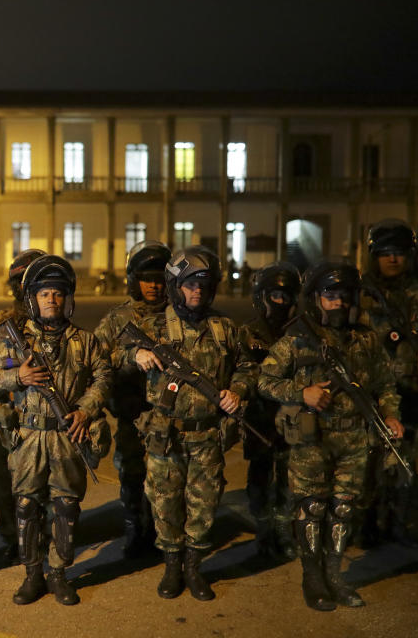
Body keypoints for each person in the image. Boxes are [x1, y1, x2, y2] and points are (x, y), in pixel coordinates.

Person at [258, 258, 404, 611]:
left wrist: (391, 415)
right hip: (311, 439)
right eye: (330, 295)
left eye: (344, 296)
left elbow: (385, 384)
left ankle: (335, 576)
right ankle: (313, 578)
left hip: (354, 439)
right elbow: (264, 381)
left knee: (344, 508)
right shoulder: (297, 337)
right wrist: (302, 392)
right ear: (316, 297)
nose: (338, 302)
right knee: (311, 508)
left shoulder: (365, 339)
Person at [123, 246, 254, 602]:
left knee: (204, 504)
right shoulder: (155, 326)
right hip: (165, 434)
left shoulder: (224, 328)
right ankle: (171, 567)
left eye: (203, 285)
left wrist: (237, 391)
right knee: (164, 504)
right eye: (189, 284)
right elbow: (113, 351)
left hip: (208, 434)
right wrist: (136, 354)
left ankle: (194, 568)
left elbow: (245, 367)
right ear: (174, 286)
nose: (196, 291)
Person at [0, 255, 111, 606]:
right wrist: (18, 377)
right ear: (32, 300)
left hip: (68, 436)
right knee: (25, 506)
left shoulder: (85, 341)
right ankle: (32, 574)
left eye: (57, 293)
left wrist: (85, 411)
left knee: (66, 507)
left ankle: (59, 573)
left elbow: (103, 377)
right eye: (44, 294)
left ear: (67, 299)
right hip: (28, 437)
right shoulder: (15, 342)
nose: (51, 300)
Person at [358, 219, 418, 547]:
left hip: (413, 392)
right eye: (385, 253)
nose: (393, 259)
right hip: (371, 393)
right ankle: (368, 524)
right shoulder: (360, 294)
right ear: (374, 256)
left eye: (399, 253)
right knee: (367, 462)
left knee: (405, 463)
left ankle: (397, 523)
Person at [93, 240, 170, 557]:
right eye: (146, 278)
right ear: (133, 279)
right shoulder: (117, 319)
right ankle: (134, 532)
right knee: (132, 476)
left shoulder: (179, 318)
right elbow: (94, 360)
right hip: (132, 415)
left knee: (166, 480)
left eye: (160, 278)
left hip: (167, 416)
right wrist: (130, 354)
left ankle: (163, 536)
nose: (153, 285)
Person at [0, 249, 45, 566]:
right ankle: (11, 539)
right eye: (21, 282)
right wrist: (10, 381)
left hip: (45, 417)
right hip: (8, 415)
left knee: (46, 478)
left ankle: (44, 537)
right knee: (5, 480)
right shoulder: (0, 324)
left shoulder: (55, 320)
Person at [238, 262, 301, 560]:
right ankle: (264, 535)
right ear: (261, 296)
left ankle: (285, 533)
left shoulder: (301, 333)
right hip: (259, 421)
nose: (280, 302)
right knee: (260, 482)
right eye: (274, 295)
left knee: (290, 482)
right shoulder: (247, 333)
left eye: (286, 296)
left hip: (293, 419)